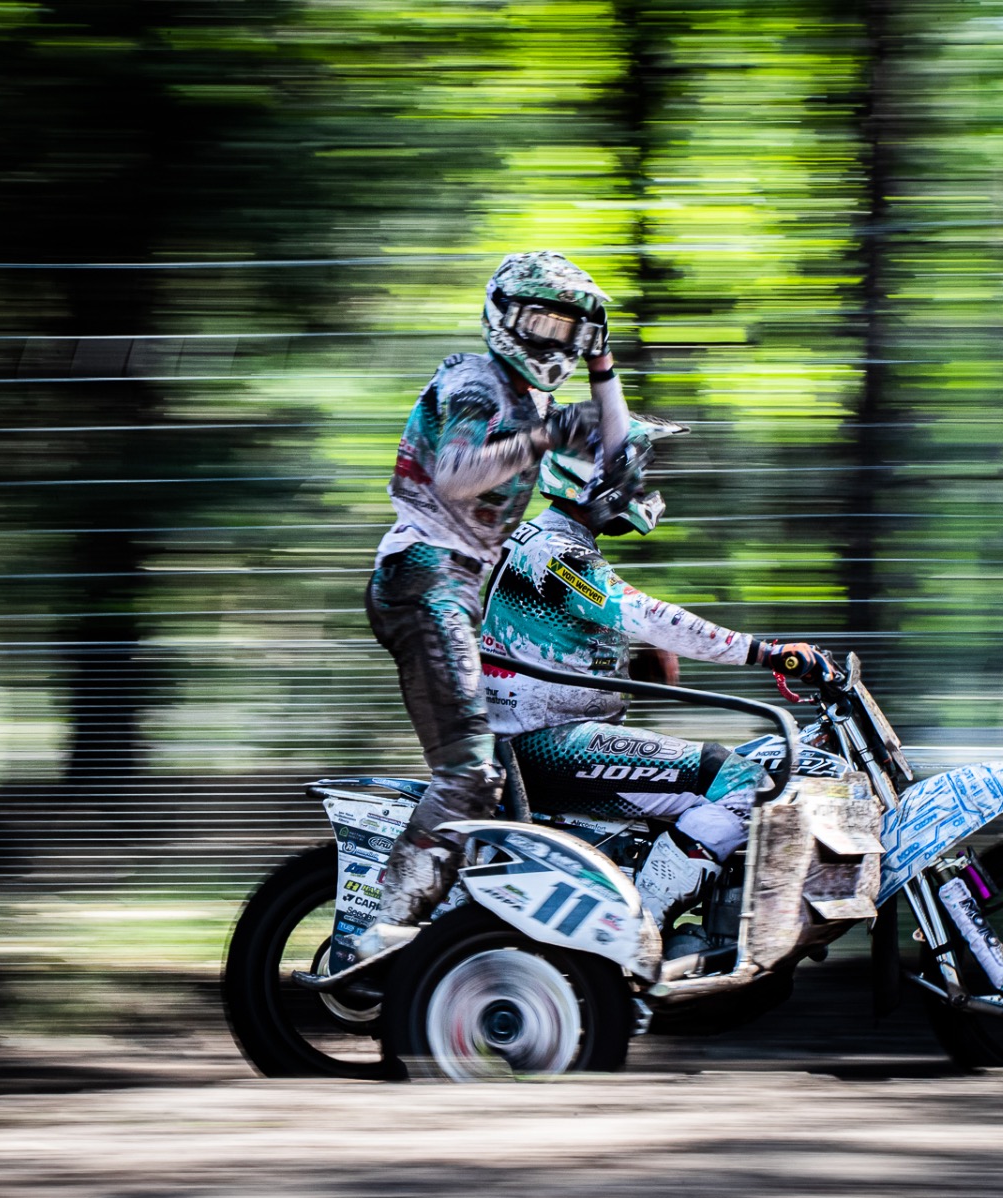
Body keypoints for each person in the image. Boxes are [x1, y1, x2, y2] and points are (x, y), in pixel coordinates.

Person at [355, 251, 636, 961]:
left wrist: (603, 367)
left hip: (457, 587)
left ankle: (473, 924)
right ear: (505, 317)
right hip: (424, 575)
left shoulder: (533, 401)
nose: (554, 342)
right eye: (542, 323)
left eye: (571, 330)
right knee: (469, 773)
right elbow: (455, 476)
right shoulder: (475, 380)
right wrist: (547, 435)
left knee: (504, 780)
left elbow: (619, 458)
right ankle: (383, 935)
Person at [479, 419, 837, 934]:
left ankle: (701, 932)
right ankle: (640, 931)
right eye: (635, 474)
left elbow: (567, 640)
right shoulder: (555, 553)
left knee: (735, 777)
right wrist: (768, 653)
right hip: (544, 747)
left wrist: (634, 654)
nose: (642, 487)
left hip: (548, 738)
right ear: (596, 477)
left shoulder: (550, 543)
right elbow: (644, 612)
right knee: (747, 785)